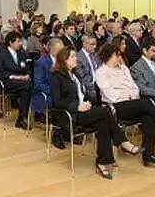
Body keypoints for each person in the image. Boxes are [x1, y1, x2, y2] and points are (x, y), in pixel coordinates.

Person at [95, 44, 155, 166]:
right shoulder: (101, 72)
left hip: (133, 103)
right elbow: (109, 94)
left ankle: (148, 155)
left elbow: (134, 87)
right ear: (108, 57)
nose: (119, 57)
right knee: (147, 103)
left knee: (148, 115)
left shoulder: (124, 69)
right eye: (116, 55)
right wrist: (128, 97)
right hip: (116, 106)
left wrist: (132, 96)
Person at [50, 47, 134, 179]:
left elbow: (82, 94)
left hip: (84, 110)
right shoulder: (56, 77)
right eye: (72, 57)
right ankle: (121, 140)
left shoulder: (75, 74)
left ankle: (102, 162)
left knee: (103, 123)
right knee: (106, 111)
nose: (76, 58)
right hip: (70, 114)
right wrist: (77, 106)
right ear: (64, 60)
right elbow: (56, 101)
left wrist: (87, 102)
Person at [0, 31, 32, 130]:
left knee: (26, 90)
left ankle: (21, 119)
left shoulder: (21, 53)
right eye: (18, 41)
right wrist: (15, 77)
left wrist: (27, 75)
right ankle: (25, 117)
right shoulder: (1, 53)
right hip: (6, 82)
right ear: (10, 42)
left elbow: (26, 68)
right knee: (28, 86)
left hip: (21, 82)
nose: (20, 44)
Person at [32, 38, 63, 122]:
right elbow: (38, 84)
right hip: (46, 93)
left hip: (60, 91)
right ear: (53, 50)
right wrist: (55, 90)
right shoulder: (41, 63)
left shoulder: (63, 61)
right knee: (65, 101)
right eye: (60, 50)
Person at [75, 35, 99, 103]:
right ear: (84, 44)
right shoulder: (78, 58)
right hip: (89, 88)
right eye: (92, 44)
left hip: (101, 84)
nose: (95, 46)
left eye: (95, 44)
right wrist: (96, 87)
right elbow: (82, 78)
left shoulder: (96, 55)